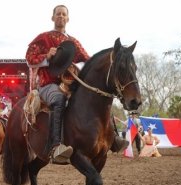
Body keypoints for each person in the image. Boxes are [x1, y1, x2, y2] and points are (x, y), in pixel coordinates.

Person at [26, 5, 129, 163]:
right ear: (53, 18)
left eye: (64, 14)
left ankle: (112, 137)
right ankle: (56, 146)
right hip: (48, 84)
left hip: (71, 83)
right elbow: (29, 57)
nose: (61, 16)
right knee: (59, 99)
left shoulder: (73, 42)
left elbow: (88, 60)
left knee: (96, 98)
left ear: (67, 19)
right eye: (58, 14)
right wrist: (46, 55)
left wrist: (85, 66)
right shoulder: (43, 38)